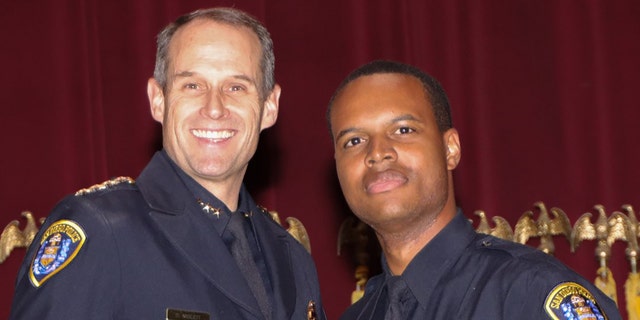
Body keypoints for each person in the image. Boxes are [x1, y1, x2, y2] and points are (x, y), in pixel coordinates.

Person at [10, 7, 325, 320]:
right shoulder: (100, 231)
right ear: (157, 99)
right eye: (192, 85)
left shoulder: (292, 258)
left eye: (236, 87)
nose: (214, 108)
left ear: (270, 107)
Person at [326, 60, 621, 319]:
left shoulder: (532, 293)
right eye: (354, 141)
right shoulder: (359, 315)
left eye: (403, 130)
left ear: (450, 149)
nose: (378, 153)